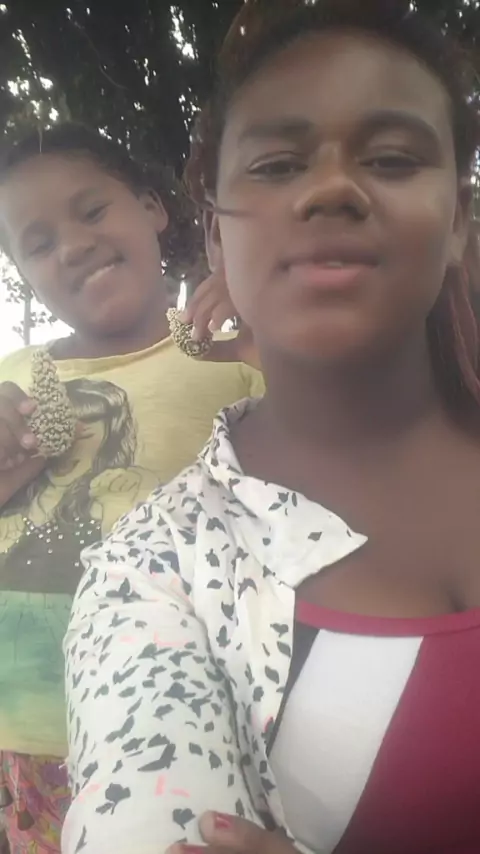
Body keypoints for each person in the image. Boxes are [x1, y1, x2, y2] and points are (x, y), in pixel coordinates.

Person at [64, 1, 480, 853]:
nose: (332, 188)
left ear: (457, 223)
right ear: (215, 239)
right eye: (279, 163)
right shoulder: (154, 571)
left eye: (392, 158)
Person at [0, 122, 263, 854]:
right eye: (38, 244)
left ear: (152, 209)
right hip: (25, 732)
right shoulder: (12, 380)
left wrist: (269, 327)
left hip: (184, 721)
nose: (73, 246)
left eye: (92, 211)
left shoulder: (229, 356)